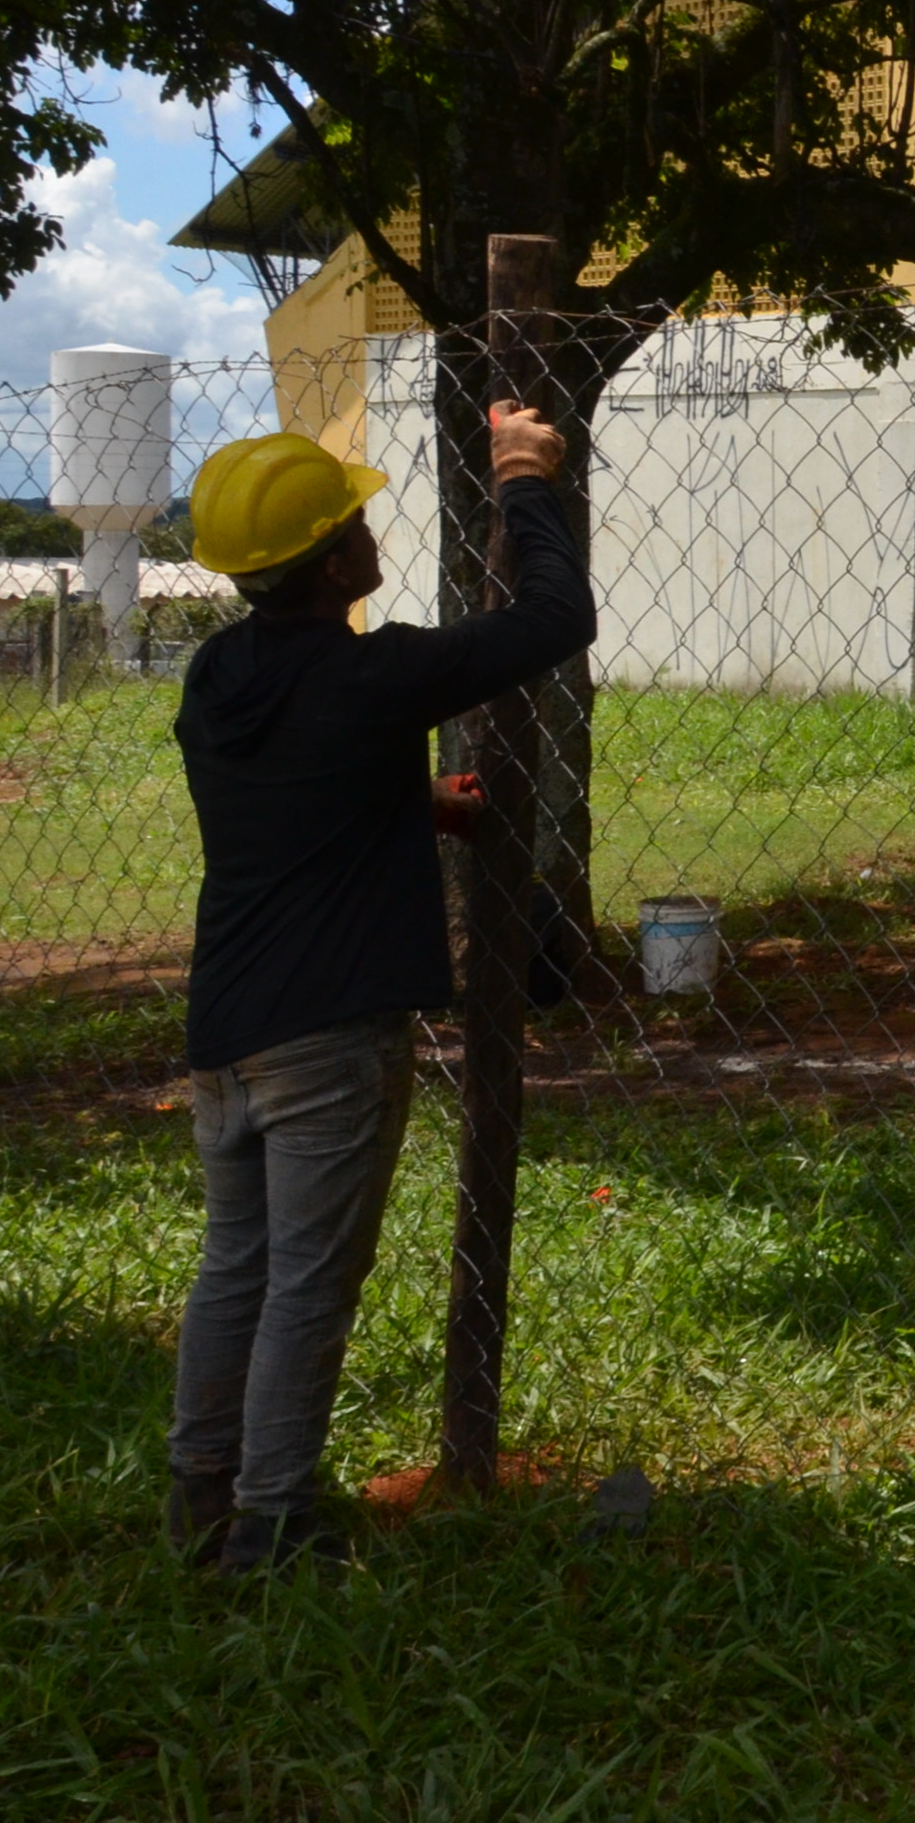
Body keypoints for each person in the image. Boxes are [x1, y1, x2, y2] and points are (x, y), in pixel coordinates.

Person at [163, 404, 594, 1574]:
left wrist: (414, 806)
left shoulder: (217, 679)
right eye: (352, 516)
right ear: (328, 559)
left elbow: (295, 795)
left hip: (227, 1028)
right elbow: (557, 618)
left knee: (235, 1266)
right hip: (329, 1039)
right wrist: (524, 481)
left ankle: (202, 1496)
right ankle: (278, 1523)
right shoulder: (379, 673)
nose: (368, 525)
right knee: (309, 1280)